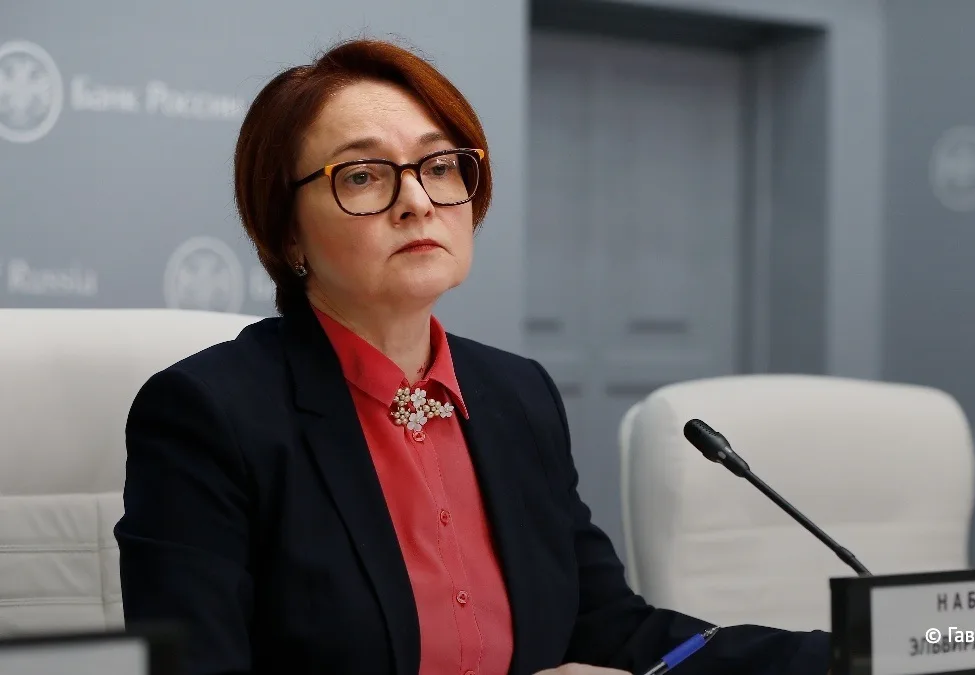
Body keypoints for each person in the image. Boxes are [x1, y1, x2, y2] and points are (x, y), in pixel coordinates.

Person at [115, 38, 831, 675]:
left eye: (439, 165)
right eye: (362, 175)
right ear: (288, 233)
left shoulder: (517, 395)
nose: (417, 201)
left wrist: (854, 653)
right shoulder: (210, 415)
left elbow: (615, 631)